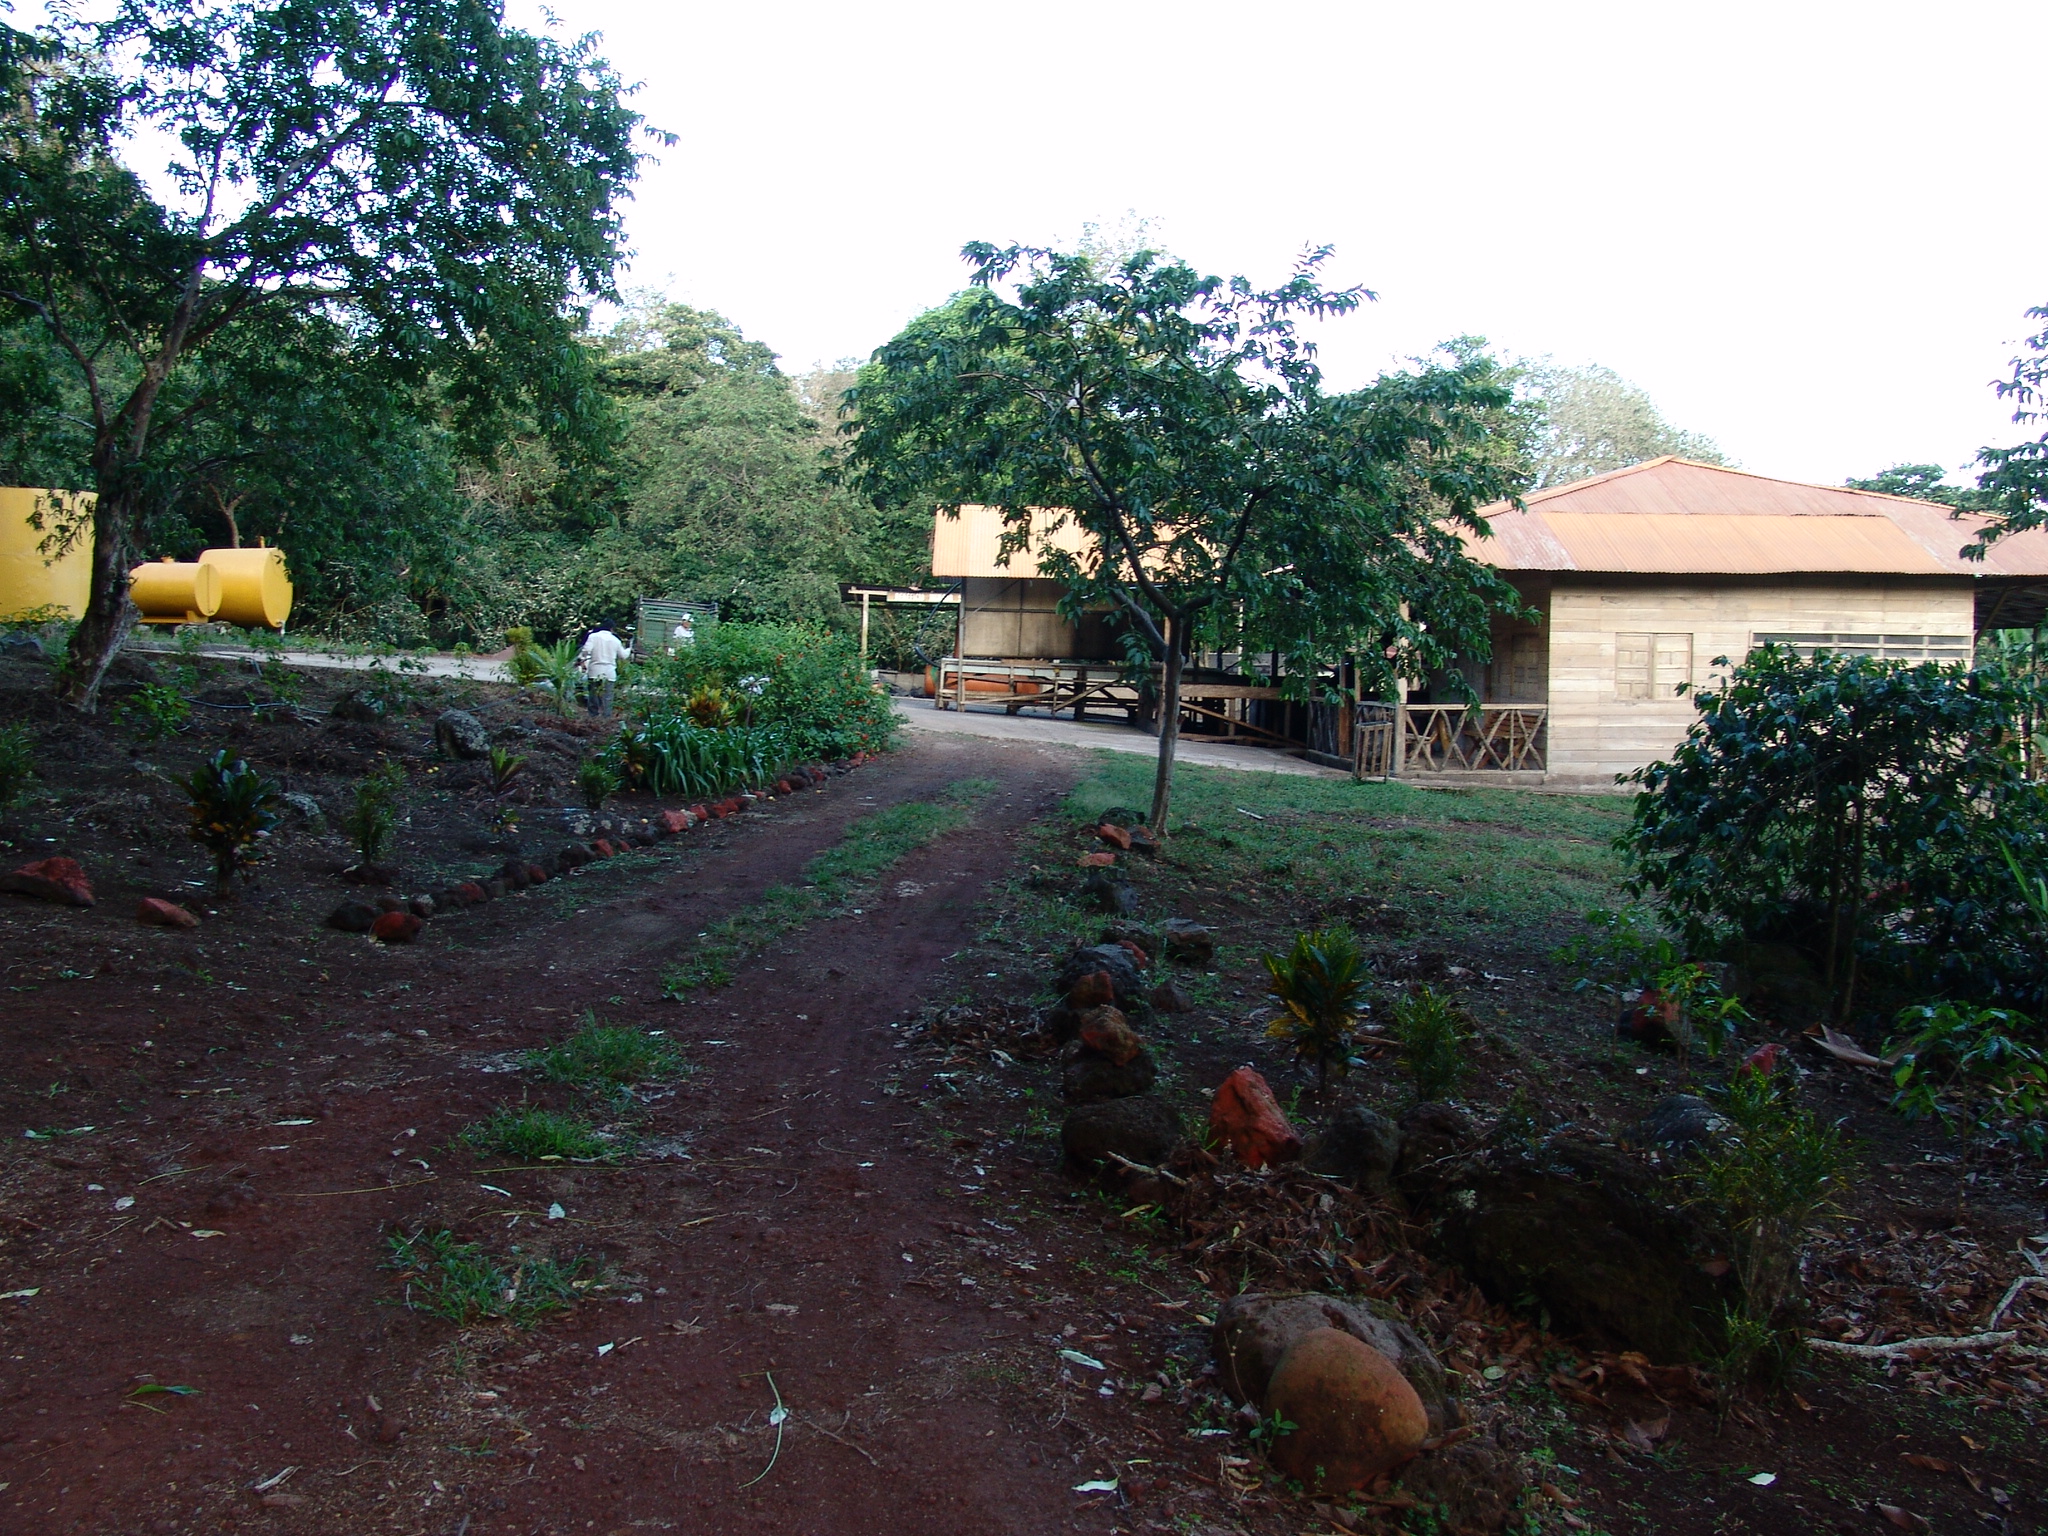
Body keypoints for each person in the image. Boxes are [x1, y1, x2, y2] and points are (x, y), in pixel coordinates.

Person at [576, 625, 631, 717]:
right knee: (608, 697)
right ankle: (606, 718)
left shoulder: (593, 637)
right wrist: (629, 649)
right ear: (612, 629)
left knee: (593, 695)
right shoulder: (615, 640)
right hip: (609, 672)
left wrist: (579, 659)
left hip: (595, 671)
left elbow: (586, 651)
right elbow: (623, 656)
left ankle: (593, 716)